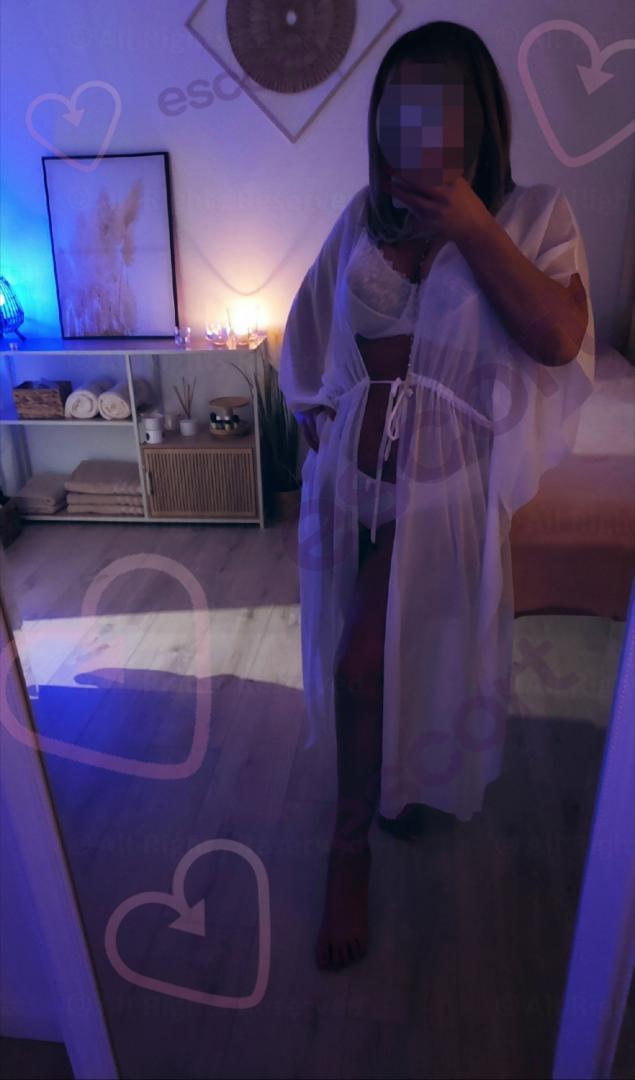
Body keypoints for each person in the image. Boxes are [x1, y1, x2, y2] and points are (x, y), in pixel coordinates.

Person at [278, 20, 595, 973]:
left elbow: (558, 339)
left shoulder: (531, 213)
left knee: (364, 664)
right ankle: (388, 794)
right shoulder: (361, 217)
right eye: (399, 104)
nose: (415, 123)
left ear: (477, 117)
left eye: (438, 103)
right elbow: (308, 327)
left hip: (442, 494)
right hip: (351, 489)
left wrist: (469, 224)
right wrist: (319, 422)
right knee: (382, 656)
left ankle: (346, 857)